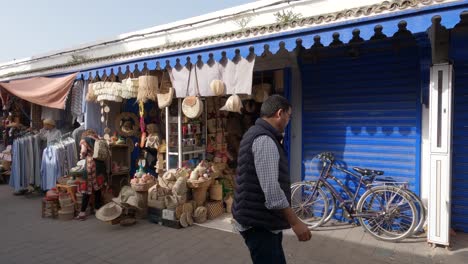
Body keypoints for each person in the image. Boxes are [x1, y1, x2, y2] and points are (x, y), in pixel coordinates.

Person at [232, 94, 311, 264]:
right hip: (259, 224)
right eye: (289, 116)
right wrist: (295, 223)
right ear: (279, 113)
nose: (289, 121)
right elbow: (273, 192)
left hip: (257, 219)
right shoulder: (264, 139)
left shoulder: (253, 132)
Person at [75, 131, 106, 221]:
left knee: (87, 188)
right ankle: (97, 209)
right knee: (97, 188)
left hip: (91, 166)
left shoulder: (84, 140)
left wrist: (81, 155)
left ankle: (82, 213)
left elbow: (84, 151)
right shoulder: (98, 139)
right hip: (100, 165)